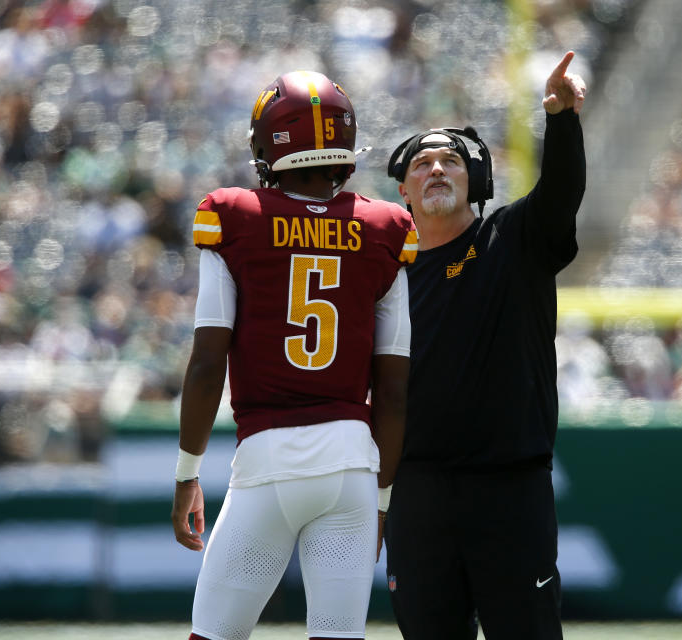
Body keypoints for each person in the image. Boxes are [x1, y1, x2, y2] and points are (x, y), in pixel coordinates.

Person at [170, 70, 417, 640]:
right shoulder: (384, 226)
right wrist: (381, 498)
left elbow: (209, 360)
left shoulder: (234, 216)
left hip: (269, 460)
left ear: (266, 144)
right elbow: (396, 388)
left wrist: (187, 473)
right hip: (353, 463)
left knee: (215, 635)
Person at [382, 51, 587, 639]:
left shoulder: (513, 239)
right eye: (423, 164)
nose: (437, 170)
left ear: (477, 181)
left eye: (451, 161)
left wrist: (562, 120)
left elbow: (561, 192)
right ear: (403, 188)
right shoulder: (383, 273)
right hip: (416, 495)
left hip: (509, 490)